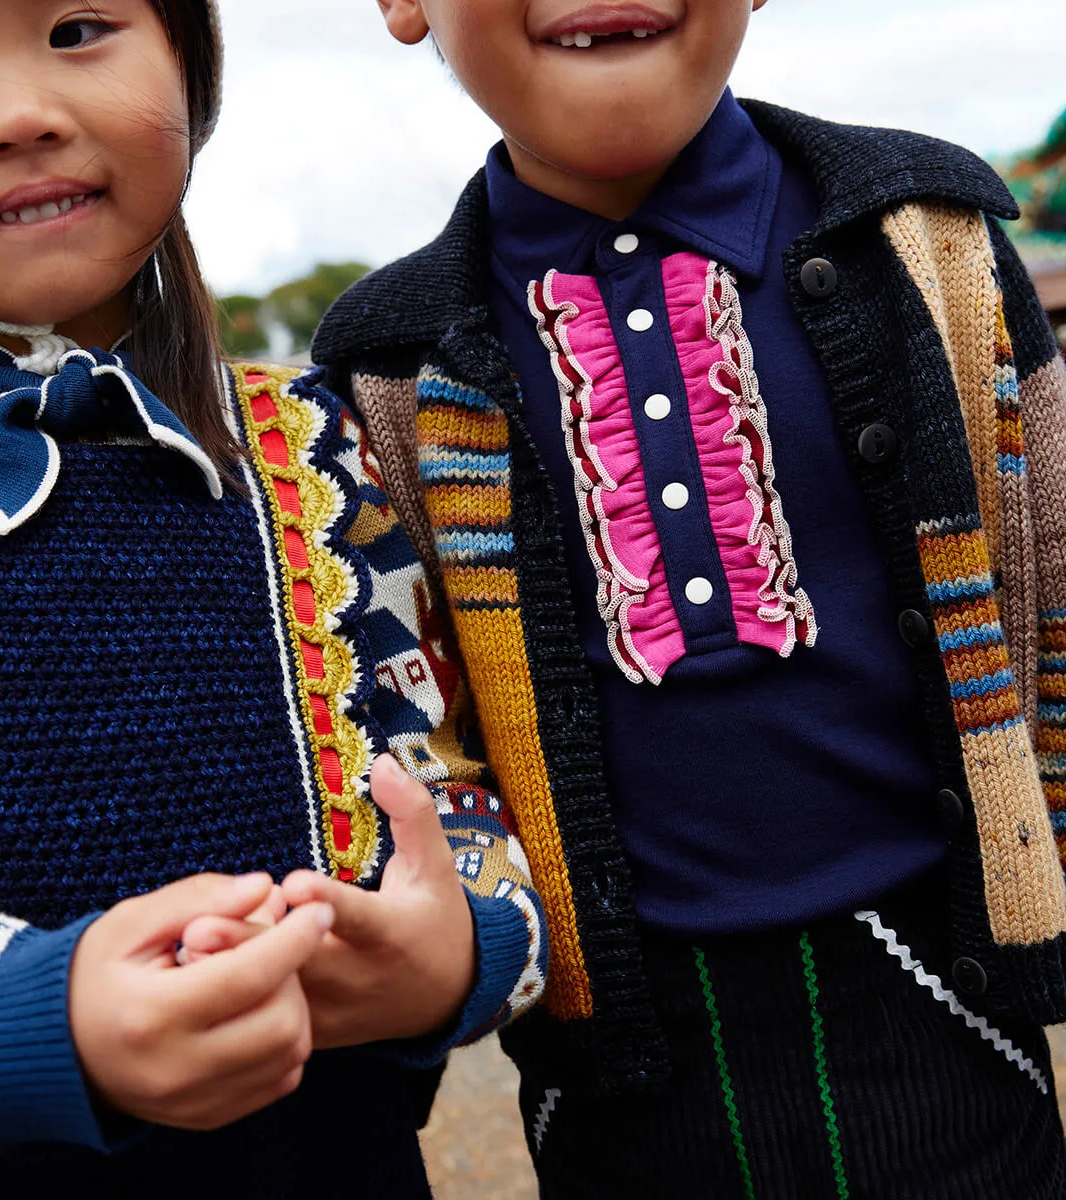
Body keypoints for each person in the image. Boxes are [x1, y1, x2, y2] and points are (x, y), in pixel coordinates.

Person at [313, 1, 1066, 1195]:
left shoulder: (933, 238)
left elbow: (1052, 577)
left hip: (950, 1007)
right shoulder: (385, 367)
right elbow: (418, 731)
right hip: (624, 1062)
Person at [0, 1, 546, 1194]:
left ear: (192, 58)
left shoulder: (324, 449)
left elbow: (453, 793)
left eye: (79, 27)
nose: (23, 116)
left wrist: (453, 954)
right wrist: (32, 1030)